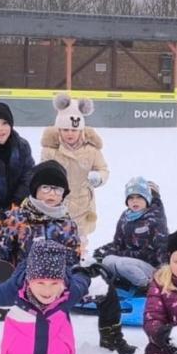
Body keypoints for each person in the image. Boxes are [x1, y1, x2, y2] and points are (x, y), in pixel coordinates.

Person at [0, 161, 134, 354]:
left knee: (105, 289)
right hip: (30, 283)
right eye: (46, 188)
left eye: (57, 190)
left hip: (62, 279)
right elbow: (0, 254)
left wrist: (84, 271)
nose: (52, 194)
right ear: (35, 189)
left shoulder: (67, 222)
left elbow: (73, 257)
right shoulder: (18, 218)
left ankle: (112, 338)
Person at [40, 93, 108, 248]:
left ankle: (79, 265)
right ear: (59, 130)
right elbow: (41, 175)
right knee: (55, 243)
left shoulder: (92, 151)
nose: (69, 133)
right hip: (56, 206)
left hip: (83, 207)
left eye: (74, 130)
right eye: (65, 129)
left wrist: (98, 177)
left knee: (79, 245)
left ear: (81, 130)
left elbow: (103, 169)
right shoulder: (50, 151)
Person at [86, 177, 167, 292]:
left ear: (147, 199)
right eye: (131, 198)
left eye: (139, 197)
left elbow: (156, 252)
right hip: (130, 262)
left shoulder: (155, 220)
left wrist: (165, 275)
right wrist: (102, 251)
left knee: (121, 263)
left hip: (151, 268)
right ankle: (121, 283)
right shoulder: (125, 217)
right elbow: (118, 243)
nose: (135, 201)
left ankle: (148, 285)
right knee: (107, 260)